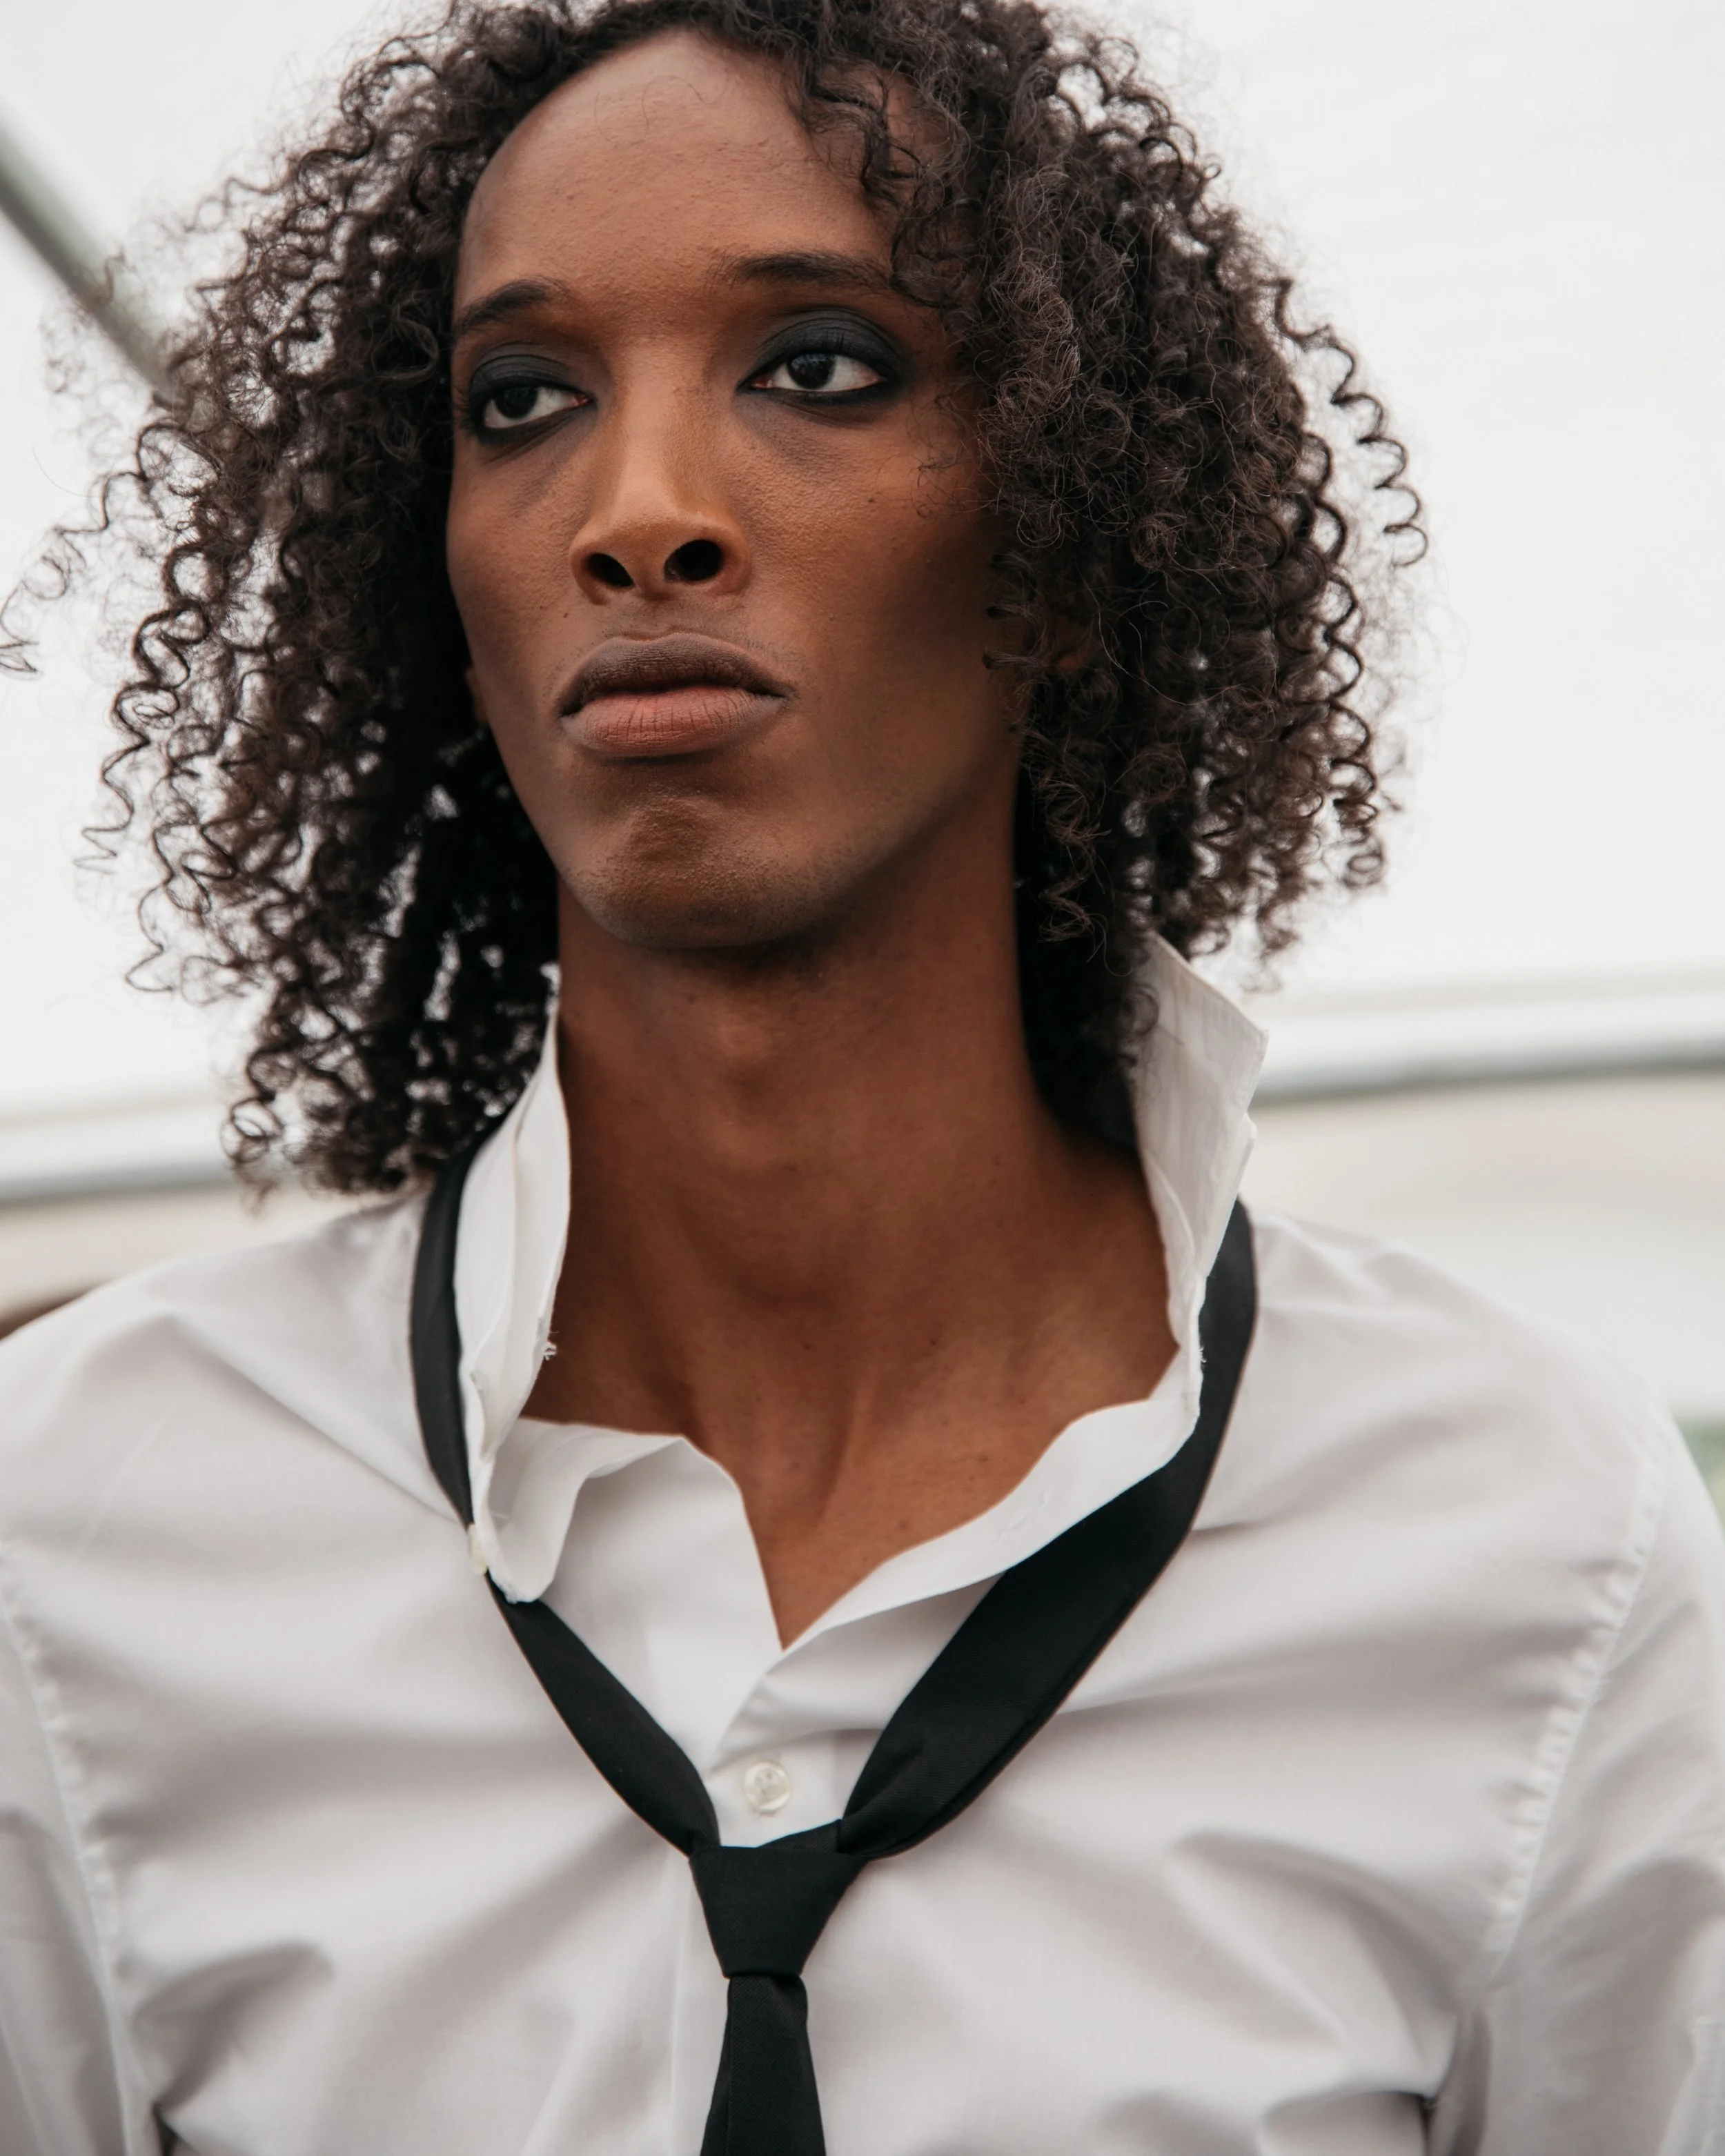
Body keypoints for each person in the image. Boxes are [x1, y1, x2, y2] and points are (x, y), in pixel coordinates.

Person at [2, 1, 1722, 2149]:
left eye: (819, 364)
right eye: (520, 399)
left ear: (1073, 530)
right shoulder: (78, 1523)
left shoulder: (1526, 1537)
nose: (638, 514)